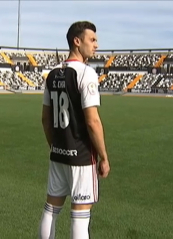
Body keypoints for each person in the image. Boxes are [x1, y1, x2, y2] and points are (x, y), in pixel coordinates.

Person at [38, 21, 110, 239]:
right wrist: (104, 157)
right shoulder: (86, 74)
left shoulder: (52, 74)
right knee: (80, 213)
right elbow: (93, 122)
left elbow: (45, 119)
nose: (96, 45)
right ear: (77, 42)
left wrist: (55, 146)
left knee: (51, 208)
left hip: (58, 154)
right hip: (81, 156)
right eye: (92, 40)